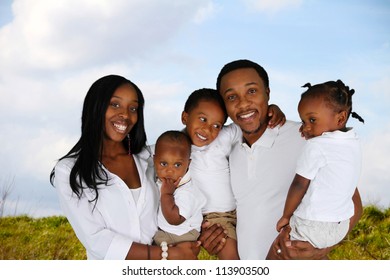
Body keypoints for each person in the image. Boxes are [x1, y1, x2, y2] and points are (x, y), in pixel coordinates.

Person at [199, 59, 362, 260]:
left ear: (267, 93)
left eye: (251, 91)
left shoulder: (307, 138)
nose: (243, 103)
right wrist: (209, 234)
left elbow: (353, 202)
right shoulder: (223, 151)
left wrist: (322, 248)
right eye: (232, 96)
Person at [50, 75, 199, 260]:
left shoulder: (151, 158)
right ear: (95, 106)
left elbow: (202, 147)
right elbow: (97, 241)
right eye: (115, 104)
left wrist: (214, 225)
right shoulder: (70, 171)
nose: (126, 115)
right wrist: (167, 256)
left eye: (133, 108)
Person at [182, 88, 285, 259]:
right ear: (185, 117)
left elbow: (250, 123)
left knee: (265, 248)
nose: (207, 129)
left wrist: (272, 109)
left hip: (240, 210)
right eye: (202, 119)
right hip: (214, 217)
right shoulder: (176, 147)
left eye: (216, 125)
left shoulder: (223, 137)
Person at [276, 80, 364, 249]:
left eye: (312, 120)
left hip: (313, 225)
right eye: (303, 121)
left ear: (341, 118)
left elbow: (299, 184)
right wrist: (313, 130)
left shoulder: (316, 146)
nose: (306, 127)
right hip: (340, 225)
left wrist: (286, 216)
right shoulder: (353, 141)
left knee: (276, 255)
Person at [153, 130, 207, 248]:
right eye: (163, 163)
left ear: (188, 163)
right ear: (154, 161)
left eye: (177, 165)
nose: (170, 170)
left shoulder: (188, 190)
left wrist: (167, 194)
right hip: (165, 231)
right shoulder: (160, 179)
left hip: (184, 234)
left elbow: (175, 219)